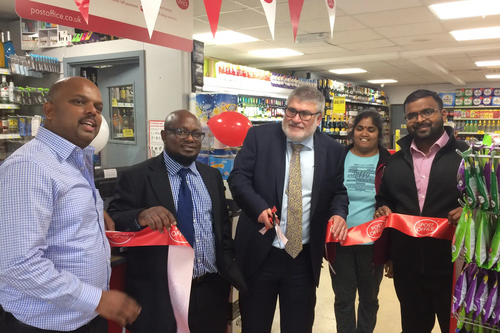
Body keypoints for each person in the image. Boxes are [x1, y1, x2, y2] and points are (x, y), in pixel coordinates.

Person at [0, 77, 141, 333]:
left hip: (85, 317)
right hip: (45, 325)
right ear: (49, 110)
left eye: (98, 108)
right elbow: (18, 265)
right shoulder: (30, 167)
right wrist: (98, 299)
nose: (93, 112)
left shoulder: (77, 160)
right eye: (79, 102)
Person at [107, 110, 246, 333]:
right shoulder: (137, 176)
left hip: (209, 288)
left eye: (196, 134)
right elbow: (114, 219)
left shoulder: (211, 176)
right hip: (159, 293)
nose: (190, 139)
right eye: (180, 132)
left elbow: (221, 229)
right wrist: (139, 215)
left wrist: (226, 267)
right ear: (164, 135)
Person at [228, 86, 349, 333]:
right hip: (260, 254)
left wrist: (338, 213)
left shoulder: (333, 150)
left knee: (298, 325)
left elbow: (338, 192)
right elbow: (238, 178)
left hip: (302, 258)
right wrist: (259, 208)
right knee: (255, 324)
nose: (295, 119)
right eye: (291, 110)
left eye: (305, 114)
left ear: (319, 118)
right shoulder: (259, 138)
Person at [374, 89, 468, 333]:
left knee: (458, 328)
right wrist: (382, 208)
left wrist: (470, 211)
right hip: (408, 268)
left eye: (427, 112)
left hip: (455, 266)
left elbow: (490, 202)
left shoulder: (468, 157)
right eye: (412, 115)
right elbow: (385, 199)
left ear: (443, 114)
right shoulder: (395, 162)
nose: (420, 119)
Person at [326, 110, 391, 333]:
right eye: (360, 128)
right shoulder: (338, 158)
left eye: (371, 129)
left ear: (379, 133)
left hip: (373, 244)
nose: (364, 133)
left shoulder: (389, 162)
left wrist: (387, 208)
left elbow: (396, 198)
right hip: (340, 241)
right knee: (343, 299)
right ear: (352, 131)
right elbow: (325, 194)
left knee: (369, 299)